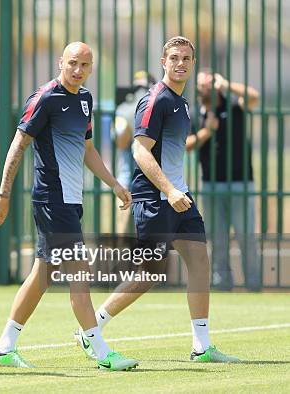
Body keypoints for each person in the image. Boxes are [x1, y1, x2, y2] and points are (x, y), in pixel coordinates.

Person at [84, 36, 240, 363]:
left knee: (199, 260)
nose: (180, 63)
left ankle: (201, 345)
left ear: (192, 63)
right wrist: (168, 190)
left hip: (178, 195)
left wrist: (176, 190)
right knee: (149, 273)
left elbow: (172, 150)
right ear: (163, 62)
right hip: (155, 197)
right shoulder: (155, 100)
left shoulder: (182, 103)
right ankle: (90, 328)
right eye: (174, 58)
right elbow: (140, 150)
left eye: (186, 58)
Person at [0, 42, 138, 371]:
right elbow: (18, 144)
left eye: (85, 65)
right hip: (51, 198)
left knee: (42, 275)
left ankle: (4, 347)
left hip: (71, 201)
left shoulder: (85, 100)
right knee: (78, 270)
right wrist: (3, 193)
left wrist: (113, 183)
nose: (78, 70)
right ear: (61, 63)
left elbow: (87, 149)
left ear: (91, 68)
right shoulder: (45, 97)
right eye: (72, 63)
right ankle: (98, 348)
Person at [185, 71, 261, 291]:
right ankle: (221, 282)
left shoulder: (234, 107)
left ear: (217, 85)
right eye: (199, 84)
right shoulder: (194, 114)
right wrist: (207, 132)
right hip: (210, 183)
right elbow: (187, 145)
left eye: (207, 84)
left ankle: (253, 283)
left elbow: (254, 97)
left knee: (246, 235)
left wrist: (227, 84)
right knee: (217, 237)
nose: (202, 88)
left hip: (241, 182)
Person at [112, 71, 156, 234]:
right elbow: (121, 142)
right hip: (132, 180)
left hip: (148, 180)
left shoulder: (124, 109)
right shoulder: (124, 109)